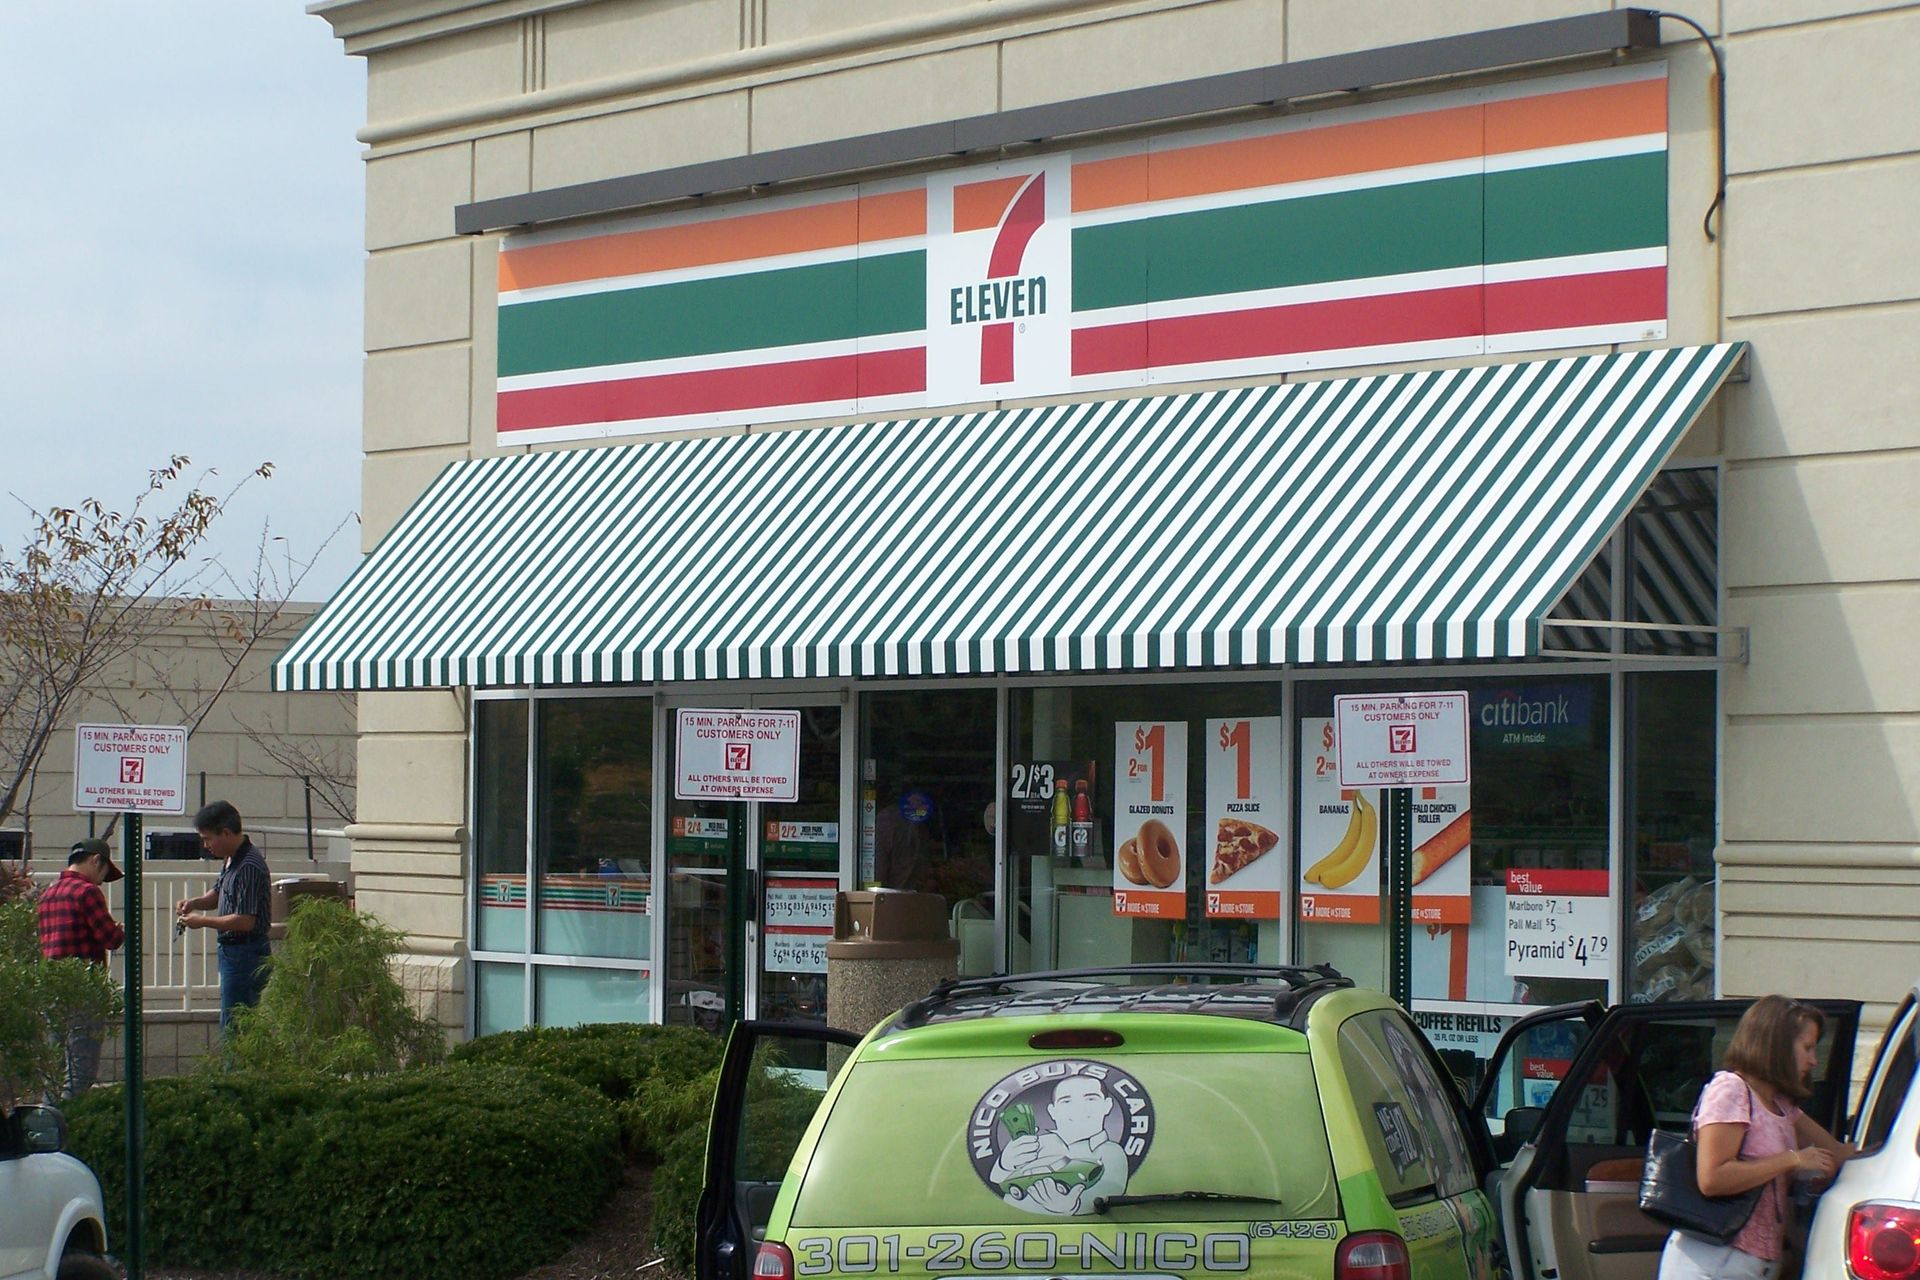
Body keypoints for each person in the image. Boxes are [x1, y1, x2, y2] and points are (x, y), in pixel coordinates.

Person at [1657, 995, 1854, 1279]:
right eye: (1807, 1048)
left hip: (1754, 1264)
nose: (1813, 1061)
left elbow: (1837, 1151)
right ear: (1777, 1046)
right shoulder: (1731, 1090)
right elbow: (1712, 1178)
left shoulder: (1781, 1105)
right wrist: (1792, 1161)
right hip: (1714, 1261)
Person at [35, 839, 126, 1096]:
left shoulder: (49, 893)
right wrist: (120, 930)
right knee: (81, 1066)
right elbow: (110, 938)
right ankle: (72, 1124)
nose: (101, 881)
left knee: (55, 1066)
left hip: (51, 985)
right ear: (96, 860)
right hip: (83, 989)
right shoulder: (87, 892)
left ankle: (47, 1123)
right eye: (104, 874)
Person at [174, 801, 272, 1032]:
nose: (206, 845)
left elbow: (245, 920)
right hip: (232, 951)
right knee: (231, 1019)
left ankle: (236, 1068)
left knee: (235, 1025)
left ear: (226, 833)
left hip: (246, 952)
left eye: (208, 839)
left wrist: (202, 921)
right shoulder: (231, 859)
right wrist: (194, 903)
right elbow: (218, 893)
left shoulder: (248, 865)